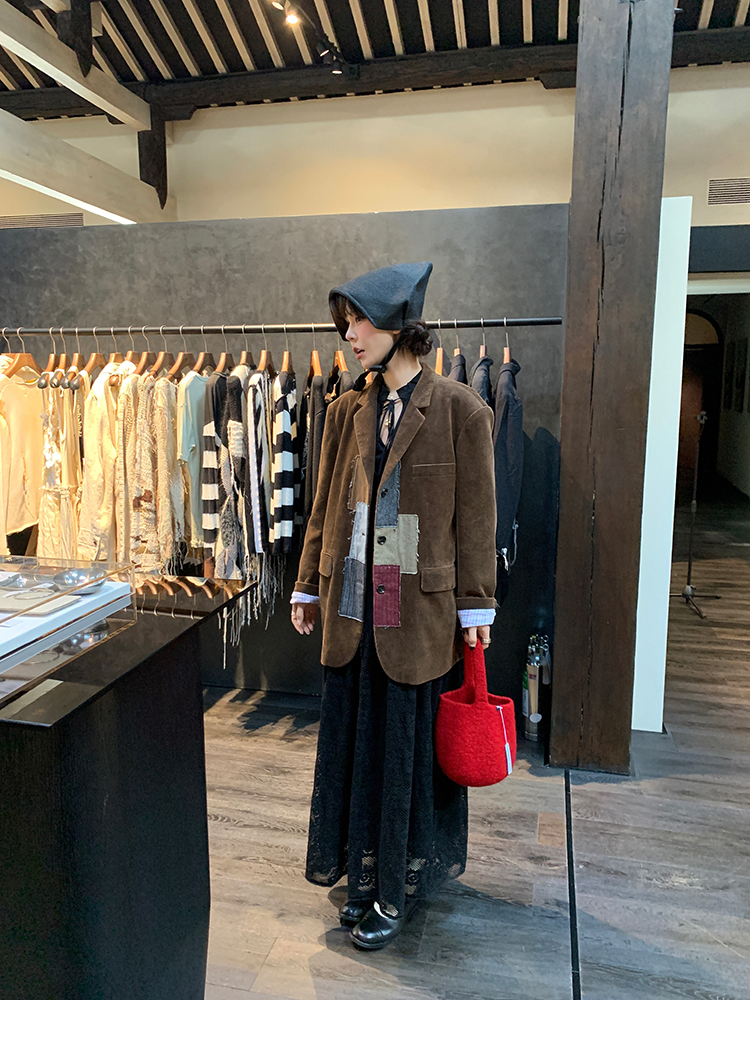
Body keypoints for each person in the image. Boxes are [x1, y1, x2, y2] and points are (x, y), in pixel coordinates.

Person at [290, 262, 497, 951]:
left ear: (399, 324)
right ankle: (362, 875)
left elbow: (477, 522)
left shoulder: (463, 411)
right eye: (345, 323)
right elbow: (325, 503)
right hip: (354, 603)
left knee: (402, 754)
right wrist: (307, 583)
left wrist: (477, 608)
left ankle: (395, 890)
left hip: (416, 614)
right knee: (357, 746)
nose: (349, 335)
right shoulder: (346, 410)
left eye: (359, 321)